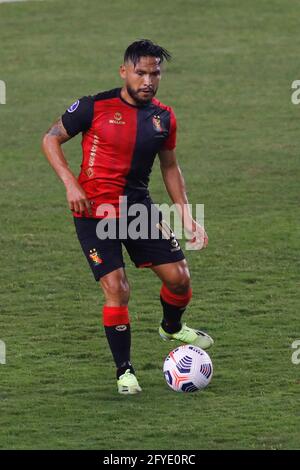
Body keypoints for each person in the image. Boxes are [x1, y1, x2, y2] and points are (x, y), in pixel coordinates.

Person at [42, 39, 213, 395]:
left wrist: (185, 214)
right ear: (124, 72)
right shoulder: (93, 106)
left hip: (137, 209)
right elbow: (50, 139)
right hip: (93, 212)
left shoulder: (163, 117)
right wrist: (71, 185)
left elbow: (170, 166)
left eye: (155, 73)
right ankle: (125, 371)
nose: (148, 80)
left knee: (179, 279)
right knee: (117, 289)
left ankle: (170, 326)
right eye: (141, 72)